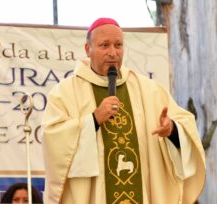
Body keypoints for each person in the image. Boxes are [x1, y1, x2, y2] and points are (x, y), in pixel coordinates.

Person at [41, 17, 206, 204]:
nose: (113, 53)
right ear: (88, 49)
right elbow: (52, 138)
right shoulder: (64, 93)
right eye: (104, 45)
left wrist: (172, 130)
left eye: (118, 45)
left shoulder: (149, 89)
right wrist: (93, 120)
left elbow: (185, 125)